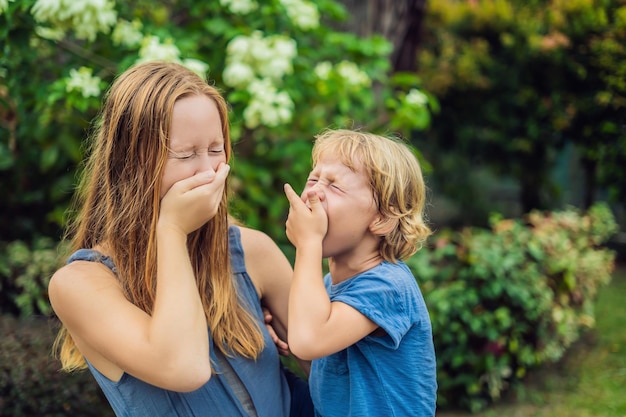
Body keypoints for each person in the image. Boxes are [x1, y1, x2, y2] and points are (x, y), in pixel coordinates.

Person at [48, 61, 313, 417]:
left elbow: (334, 373)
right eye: (186, 155)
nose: (207, 171)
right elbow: (183, 368)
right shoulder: (81, 284)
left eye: (216, 149)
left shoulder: (252, 251)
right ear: (131, 163)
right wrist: (171, 231)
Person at [283, 129, 438, 416]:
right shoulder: (330, 285)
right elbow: (310, 339)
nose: (314, 191)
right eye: (313, 179)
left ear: (382, 218)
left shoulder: (388, 285)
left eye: (334, 186)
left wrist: (307, 244)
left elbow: (309, 341)